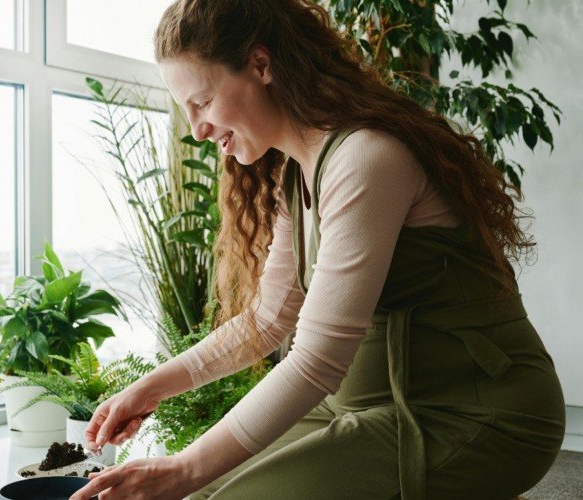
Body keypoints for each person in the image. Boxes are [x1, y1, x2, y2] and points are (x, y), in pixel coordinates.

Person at [68, 1, 566, 499]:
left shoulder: (365, 157)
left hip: (473, 414)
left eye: (201, 102)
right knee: (198, 490)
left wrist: (184, 468)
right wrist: (147, 389)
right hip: (367, 407)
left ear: (261, 66)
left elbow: (316, 361)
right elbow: (266, 320)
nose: (196, 129)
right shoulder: (296, 174)